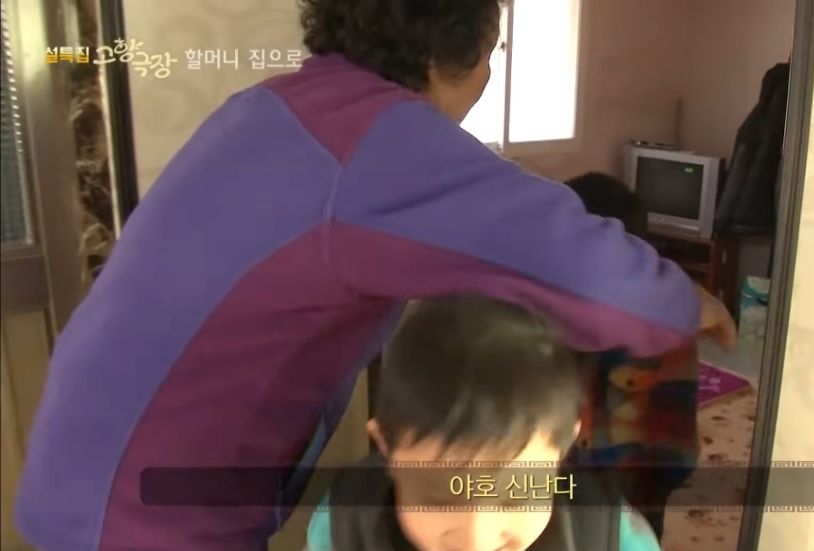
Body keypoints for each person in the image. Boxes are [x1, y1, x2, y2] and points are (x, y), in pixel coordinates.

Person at [15, 1, 734, 549]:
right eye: (494, 52)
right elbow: (605, 284)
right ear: (464, 51)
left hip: (83, 469)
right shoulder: (376, 142)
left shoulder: (272, 110)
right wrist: (686, 297)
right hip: (146, 510)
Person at [306, 295, 661, 551]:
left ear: (562, 449)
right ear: (386, 446)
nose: (476, 540)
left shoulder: (609, 536)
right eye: (438, 499)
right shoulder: (344, 527)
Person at [565, 172, 737, 538]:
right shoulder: (677, 301)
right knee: (643, 526)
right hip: (658, 458)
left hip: (593, 467)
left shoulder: (568, 310)